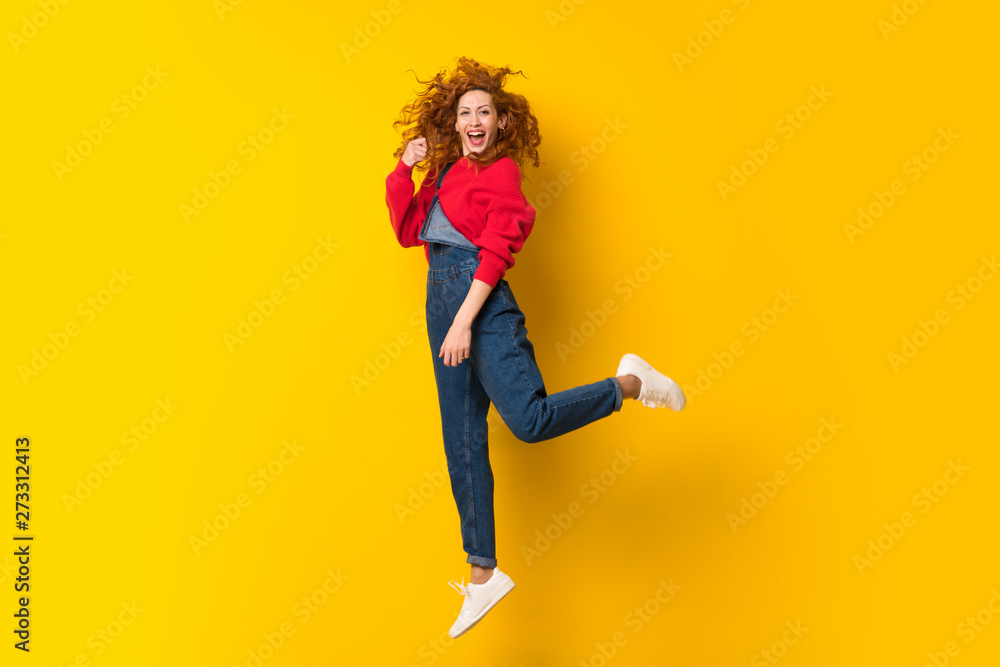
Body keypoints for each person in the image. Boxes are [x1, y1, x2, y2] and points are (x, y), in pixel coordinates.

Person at [385, 57, 686, 639]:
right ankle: (483, 574)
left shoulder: (500, 175)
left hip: (481, 305)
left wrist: (466, 321)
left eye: (485, 113)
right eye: (466, 112)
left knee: (529, 419)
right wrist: (406, 167)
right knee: (463, 440)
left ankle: (629, 384)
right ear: (454, 121)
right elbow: (406, 231)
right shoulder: (444, 172)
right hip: (440, 302)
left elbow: (496, 253)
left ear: (501, 123)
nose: (475, 121)